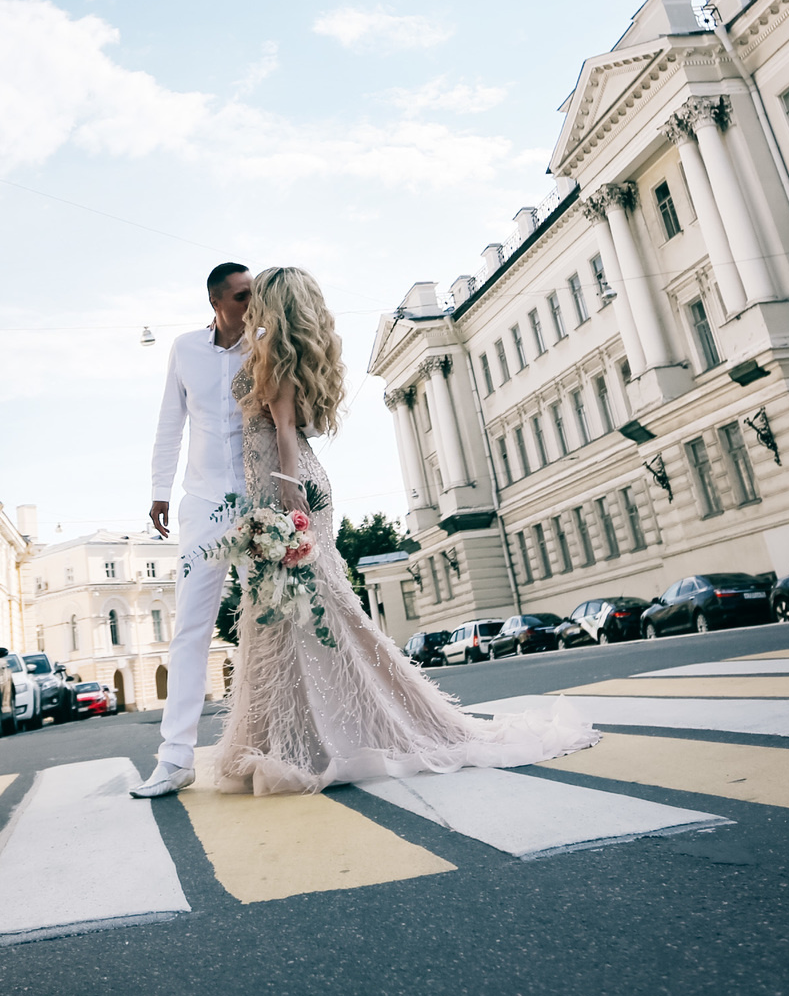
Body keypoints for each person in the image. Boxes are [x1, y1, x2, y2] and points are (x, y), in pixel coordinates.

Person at [210, 266, 597, 795]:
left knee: (304, 605)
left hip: (286, 486)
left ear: (274, 303)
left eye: (259, 295)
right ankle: (299, 731)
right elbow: (300, 425)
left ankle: (335, 731)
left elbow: (283, 431)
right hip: (285, 484)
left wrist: (286, 496)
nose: (251, 302)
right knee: (299, 608)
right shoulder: (279, 350)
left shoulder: (273, 352)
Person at [128, 262, 257, 799]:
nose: (252, 303)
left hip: (259, 501)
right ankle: (175, 758)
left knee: (270, 620)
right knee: (190, 629)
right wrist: (160, 490)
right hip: (203, 503)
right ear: (216, 302)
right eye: (243, 296)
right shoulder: (184, 349)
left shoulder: (267, 346)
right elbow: (169, 422)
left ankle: (276, 738)